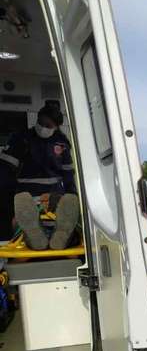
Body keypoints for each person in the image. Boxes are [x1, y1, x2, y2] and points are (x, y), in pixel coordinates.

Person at [0, 103, 80, 249]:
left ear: (57, 126)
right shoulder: (21, 139)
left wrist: (71, 194)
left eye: (48, 125)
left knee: (62, 215)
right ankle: (38, 238)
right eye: (41, 123)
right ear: (37, 119)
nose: (43, 127)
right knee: (22, 218)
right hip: (26, 195)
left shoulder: (62, 143)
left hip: (54, 194)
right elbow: (5, 170)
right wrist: (7, 199)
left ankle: (55, 238)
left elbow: (68, 172)